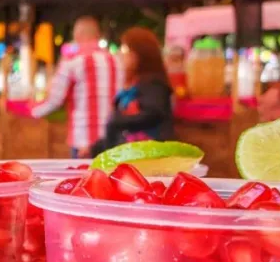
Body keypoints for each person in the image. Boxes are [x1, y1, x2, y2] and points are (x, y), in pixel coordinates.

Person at [31, 16, 124, 157]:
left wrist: (32, 111)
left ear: (77, 35)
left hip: (84, 141)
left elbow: (55, 100)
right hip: (114, 138)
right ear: (97, 35)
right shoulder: (117, 60)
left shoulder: (72, 62)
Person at [88, 27, 175, 156]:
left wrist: (117, 121)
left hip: (147, 157)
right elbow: (119, 132)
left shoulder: (154, 85)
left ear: (140, 54)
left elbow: (153, 114)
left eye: (125, 50)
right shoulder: (133, 84)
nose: (122, 55)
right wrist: (95, 148)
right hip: (124, 155)